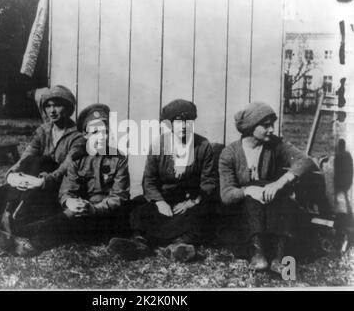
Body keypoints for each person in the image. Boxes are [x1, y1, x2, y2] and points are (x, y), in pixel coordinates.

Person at [6, 103, 130, 255]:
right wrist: (70, 201)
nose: (101, 137)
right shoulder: (78, 159)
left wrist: (94, 209)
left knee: (68, 224)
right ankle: (23, 236)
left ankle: (26, 236)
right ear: (86, 135)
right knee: (69, 221)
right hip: (81, 212)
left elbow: (119, 196)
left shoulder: (119, 159)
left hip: (106, 215)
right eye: (95, 132)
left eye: (105, 132)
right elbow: (66, 191)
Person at [108, 99, 220, 262]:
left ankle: (179, 246)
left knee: (203, 214)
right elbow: (149, 180)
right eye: (178, 122)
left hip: (189, 202)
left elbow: (208, 181)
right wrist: (160, 202)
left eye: (188, 122)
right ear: (170, 124)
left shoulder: (203, 146)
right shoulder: (158, 144)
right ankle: (139, 243)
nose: (183, 126)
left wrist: (193, 202)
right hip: (164, 200)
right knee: (137, 209)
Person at [218, 102, 317, 274]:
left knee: (280, 194)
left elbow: (305, 161)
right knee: (254, 191)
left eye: (272, 124)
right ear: (250, 127)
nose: (271, 129)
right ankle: (258, 255)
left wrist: (280, 182)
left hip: (272, 212)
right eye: (266, 125)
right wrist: (248, 191)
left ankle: (278, 257)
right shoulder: (229, 153)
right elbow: (226, 195)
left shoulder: (275, 145)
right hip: (243, 216)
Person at [0, 85, 85, 254]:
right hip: (33, 188)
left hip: (57, 188)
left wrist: (40, 181)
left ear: (68, 108)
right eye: (48, 106)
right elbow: (25, 158)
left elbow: (65, 169)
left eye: (57, 105)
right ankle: (8, 213)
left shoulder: (78, 136)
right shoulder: (43, 131)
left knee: (42, 161)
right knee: (33, 161)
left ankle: (12, 215)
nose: (52, 110)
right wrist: (12, 176)